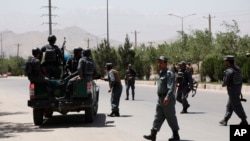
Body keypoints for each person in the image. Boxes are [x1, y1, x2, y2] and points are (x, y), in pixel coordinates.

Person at [143, 56, 180, 141]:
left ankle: (176, 135)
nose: (159, 64)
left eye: (161, 62)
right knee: (158, 117)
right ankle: (153, 134)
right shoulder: (161, 73)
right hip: (160, 99)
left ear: (165, 63)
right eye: (158, 62)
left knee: (170, 117)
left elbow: (171, 88)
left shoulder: (169, 74)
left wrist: (167, 97)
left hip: (167, 99)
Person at [219, 55, 248, 126]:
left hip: (232, 91)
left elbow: (224, 83)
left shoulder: (229, 71)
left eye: (226, 61)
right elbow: (240, 80)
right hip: (237, 90)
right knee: (229, 106)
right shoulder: (237, 69)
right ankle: (225, 119)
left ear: (228, 62)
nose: (226, 63)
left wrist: (223, 81)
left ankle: (244, 120)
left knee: (236, 106)